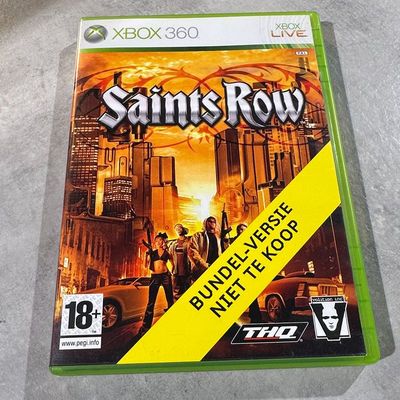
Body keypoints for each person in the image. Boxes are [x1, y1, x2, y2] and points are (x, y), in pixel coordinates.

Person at [139, 233, 174, 335]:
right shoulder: (152, 252)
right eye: (157, 240)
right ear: (155, 242)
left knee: (170, 300)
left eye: (160, 240)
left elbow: (173, 264)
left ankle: (173, 322)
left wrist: (171, 272)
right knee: (151, 302)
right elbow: (145, 265)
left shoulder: (167, 253)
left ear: (163, 241)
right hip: (155, 277)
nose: (159, 242)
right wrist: (147, 254)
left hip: (165, 276)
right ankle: (145, 327)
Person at [231, 223, 262, 323]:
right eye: (240, 229)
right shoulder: (233, 241)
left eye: (244, 229)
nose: (242, 231)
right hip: (237, 271)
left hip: (248, 270)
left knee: (251, 293)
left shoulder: (251, 240)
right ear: (237, 231)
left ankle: (255, 317)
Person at [188, 216, 222, 281]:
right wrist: (204, 265)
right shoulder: (197, 236)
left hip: (217, 269)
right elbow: (193, 252)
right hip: (201, 270)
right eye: (210, 221)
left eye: (214, 221)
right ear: (205, 223)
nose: (212, 223)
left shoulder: (219, 237)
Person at [168, 224, 191, 299]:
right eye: (176, 229)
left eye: (179, 228)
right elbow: (170, 255)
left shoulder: (189, 241)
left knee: (187, 288)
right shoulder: (174, 243)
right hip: (176, 269)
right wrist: (172, 265)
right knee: (176, 289)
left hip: (186, 268)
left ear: (183, 229)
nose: (178, 230)